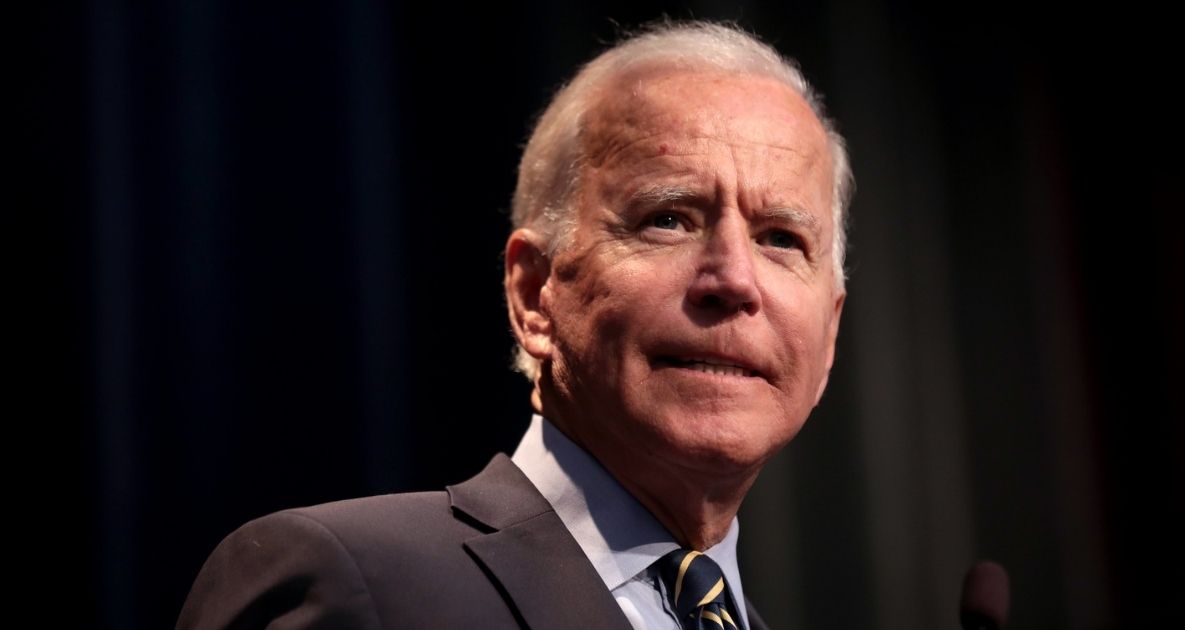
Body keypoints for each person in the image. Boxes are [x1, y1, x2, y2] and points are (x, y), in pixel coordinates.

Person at [177, 20, 850, 630]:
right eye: (667, 219)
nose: (733, 280)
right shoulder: (356, 583)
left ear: (828, 340)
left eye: (782, 238)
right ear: (534, 294)